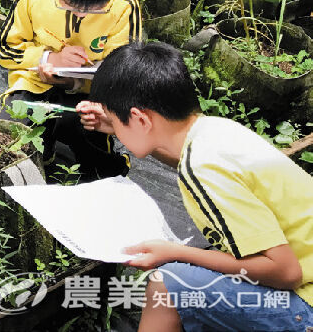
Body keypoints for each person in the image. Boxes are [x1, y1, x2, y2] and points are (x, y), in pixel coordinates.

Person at [78, 42, 313, 332]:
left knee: (167, 285)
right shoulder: (213, 131)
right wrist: (116, 124)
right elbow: (183, 158)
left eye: (115, 120)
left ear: (140, 119)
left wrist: (175, 252)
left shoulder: (202, 169)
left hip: (305, 303)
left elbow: (286, 272)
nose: (117, 133)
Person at [0, 0, 141, 181]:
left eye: (95, 8)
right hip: (36, 82)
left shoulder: (124, 5)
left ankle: (107, 172)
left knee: (89, 131)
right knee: (17, 125)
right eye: (69, 4)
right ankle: (43, 158)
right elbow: (4, 48)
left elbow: (124, 70)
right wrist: (47, 58)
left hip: (92, 93)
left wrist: (77, 82)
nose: (81, 14)